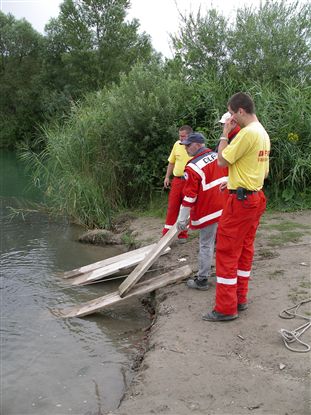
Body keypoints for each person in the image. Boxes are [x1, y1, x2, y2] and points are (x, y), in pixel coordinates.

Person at [203, 92, 270, 322]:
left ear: (240, 111)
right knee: (245, 250)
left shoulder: (247, 133)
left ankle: (225, 308)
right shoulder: (262, 133)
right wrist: (232, 182)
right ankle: (240, 298)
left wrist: (224, 135)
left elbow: (221, 160)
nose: (231, 118)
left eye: (231, 114)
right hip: (255, 197)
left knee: (226, 251)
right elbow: (263, 171)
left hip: (241, 202)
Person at [176, 132, 228, 290]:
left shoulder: (192, 167)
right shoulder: (217, 155)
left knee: (206, 244)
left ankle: (202, 279)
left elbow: (190, 196)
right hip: (225, 206)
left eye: (188, 145)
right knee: (223, 242)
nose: (185, 148)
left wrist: (182, 218)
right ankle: (225, 274)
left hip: (208, 210)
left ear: (198, 145)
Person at [162, 125, 193, 242]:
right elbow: (171, 162)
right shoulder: (177, 145)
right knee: (172, 206)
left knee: (186, 208)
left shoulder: (195, 146)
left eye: (183, 136)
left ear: (189, 135)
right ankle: (166, 234)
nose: (180, 138)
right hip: (177, 180)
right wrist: (167, 177)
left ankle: (182, 234)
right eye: (179, 136)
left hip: (190, 181)